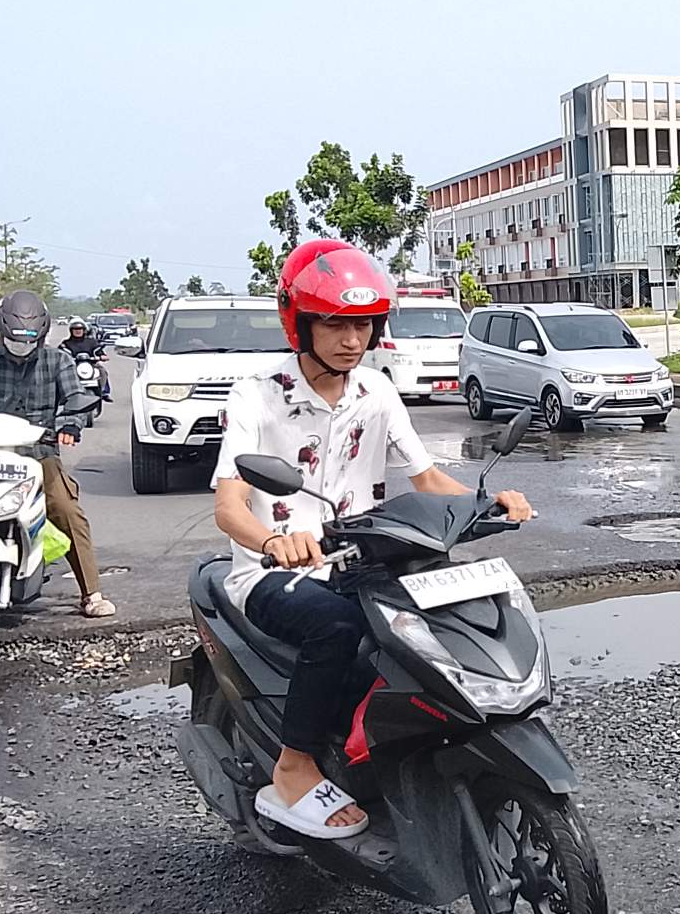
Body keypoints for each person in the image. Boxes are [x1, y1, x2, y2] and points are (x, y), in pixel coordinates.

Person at [213, 239, 534, 840]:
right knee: (337, 629)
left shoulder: (376, 391)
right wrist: (273, 542)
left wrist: (488, 502)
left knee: (436, 627)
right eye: (335, 324)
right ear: (300, 323)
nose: (351, 340)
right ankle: (293, 768)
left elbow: (427, 478)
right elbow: (229, 507)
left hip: (366, 559)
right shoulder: (257, 394)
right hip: (276, 572)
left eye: (362, 325)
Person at [0, 292, 115, 617]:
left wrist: (70, 424)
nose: (21, 348)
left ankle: (91, 593)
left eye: (28, 342)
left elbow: (76, 398)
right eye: (14, 341)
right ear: (0, 332)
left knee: (65, 508)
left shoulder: (58, 361)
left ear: (41, 335)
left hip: (37, 449)